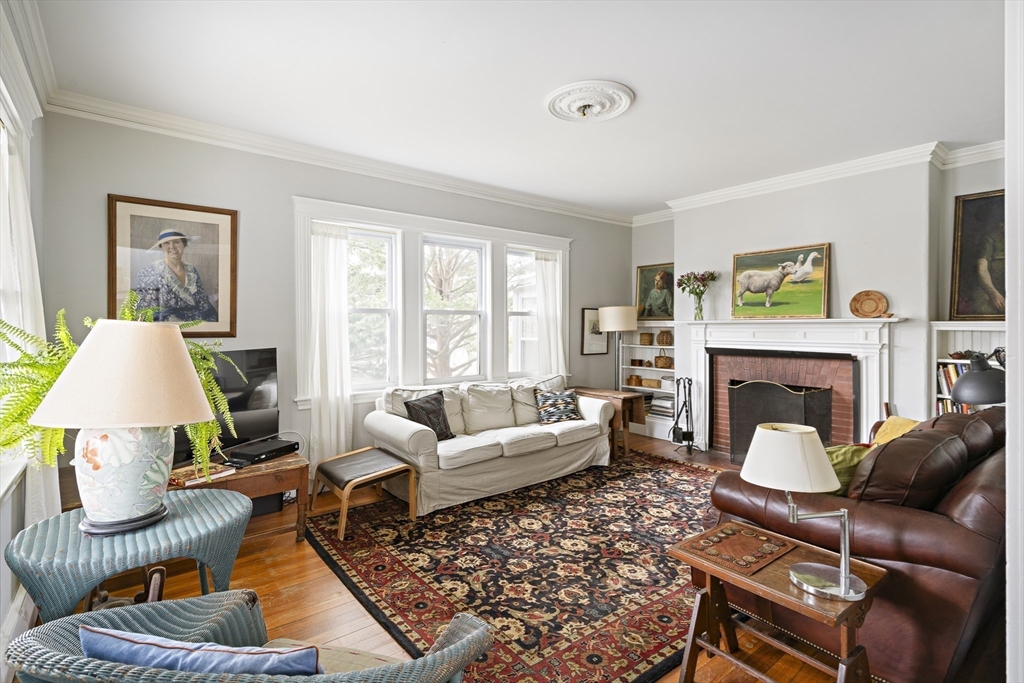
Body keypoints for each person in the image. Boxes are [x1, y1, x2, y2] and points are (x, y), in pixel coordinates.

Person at [135, 229, 218, 322]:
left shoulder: (192, 271)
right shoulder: (149, 272)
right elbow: (146, 311)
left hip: (196, 323)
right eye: (166, 243)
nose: (172, 247)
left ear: (184, 245)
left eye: (176, 242)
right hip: (167, 325)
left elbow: (202, 303)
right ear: (161, 247)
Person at [969, 221, 1005, 315]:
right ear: (1001, 224)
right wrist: (993, 293)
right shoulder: (989, 240)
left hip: (1011, 290)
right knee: (983, 309)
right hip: (988, 289)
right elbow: (982, 268)